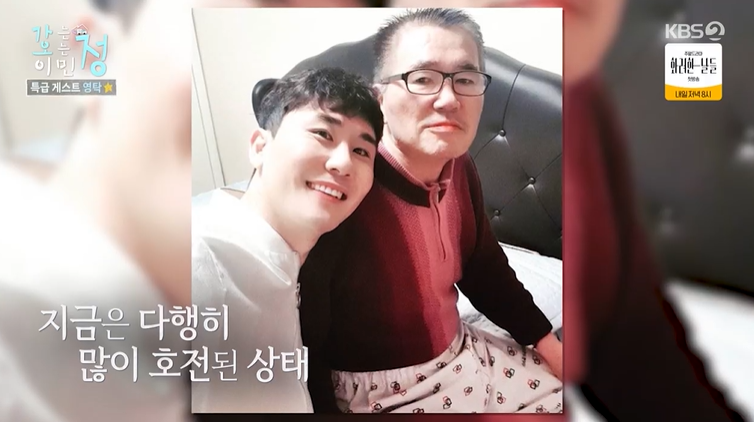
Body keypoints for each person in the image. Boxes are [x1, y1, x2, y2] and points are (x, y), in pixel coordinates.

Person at [295, 8, 563, 414]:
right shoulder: (346, 184)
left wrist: (547, 344)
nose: (449, 99)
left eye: (466, 80)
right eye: (422, 79)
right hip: (381, 392)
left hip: (462, 351)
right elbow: (306, 332)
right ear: (379, 97)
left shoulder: (461, 167)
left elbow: (484, 269)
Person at [190, 67, 382, 413]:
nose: (343, 163)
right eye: (323, 133)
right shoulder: (197, 260)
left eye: (361, 151)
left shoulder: (290, 259)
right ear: (260, 146)